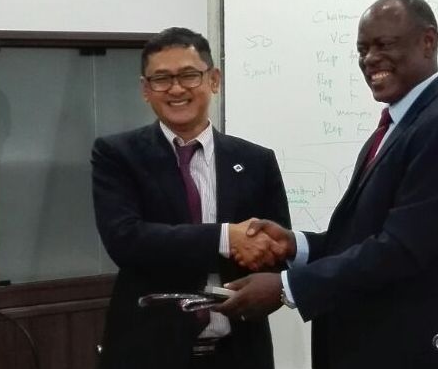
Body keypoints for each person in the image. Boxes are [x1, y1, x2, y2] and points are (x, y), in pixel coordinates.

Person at [216, 0, 438, 369]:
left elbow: (401, 249)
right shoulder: (396, 128)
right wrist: (293, 247)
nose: (369, 60)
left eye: (384, 45)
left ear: (427, 41)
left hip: (415, 351)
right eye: (362, 50)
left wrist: (286, 287)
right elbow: (364, 238)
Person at [91, 27, 290, 369]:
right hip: (149, 352)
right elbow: (126, 240)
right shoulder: (117, 155)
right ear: (145, 90)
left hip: (240, 352)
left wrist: (265, 258)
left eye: (189, 75)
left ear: (213, 79)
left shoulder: (257, 160)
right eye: (161, 79)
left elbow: (277, 247)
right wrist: (227, 238)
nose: (176, 89)